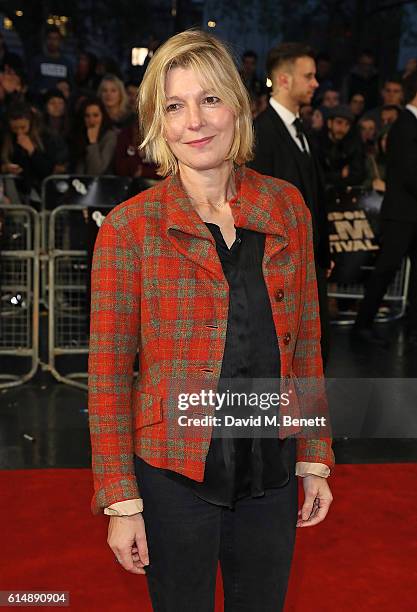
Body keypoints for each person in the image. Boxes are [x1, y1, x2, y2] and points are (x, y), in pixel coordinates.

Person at [88, 29, 334, 612]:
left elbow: (305, 345)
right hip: (174, 475)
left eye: (209, 99)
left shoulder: (285, 208)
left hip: (269, 470)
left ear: (236, 106)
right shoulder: (130, 228)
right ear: (158, 122)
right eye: (175, 106)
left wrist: (315, 454)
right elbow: (106, 376)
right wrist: (121, 500)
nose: (194, 121)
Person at [249, 42, 332, 365]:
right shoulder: (262, 133)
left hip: (309, 263)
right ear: (283, 80)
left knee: (313, 353)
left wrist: (323, 252)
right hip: (280, 267)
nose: (315, 83)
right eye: (308, 76)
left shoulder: (303, 131)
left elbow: (312, 195)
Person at [353, 71, 417, 345]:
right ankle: (363, 323)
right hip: (401, 213)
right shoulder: (404, 124)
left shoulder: (409, 124)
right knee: (386, 268)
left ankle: (412, 327)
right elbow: (407, 172)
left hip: (410, 212)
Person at [317, 105, 366, 191]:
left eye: (347, 125)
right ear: (329, 123)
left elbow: (357, 175)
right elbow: (316, 175)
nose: (343, 128)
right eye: (339, 122)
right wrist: (339, 174)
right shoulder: (317, 143)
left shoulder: (352, 145)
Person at [71, 97, 117, 175]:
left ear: (103, 116)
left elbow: (96, 171)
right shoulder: (78, 134)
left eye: (95, 115)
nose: (91, 120)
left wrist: (93, 143)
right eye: (87, 116)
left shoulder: (110, 137)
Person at [30, 26, 73, 95]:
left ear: (60, 41)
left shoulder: (66, 63)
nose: (52, 42)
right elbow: (31, 83)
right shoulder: (37, 61)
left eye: (56, 39)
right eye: (50, 38)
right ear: (45, 40)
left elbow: (71, 85)